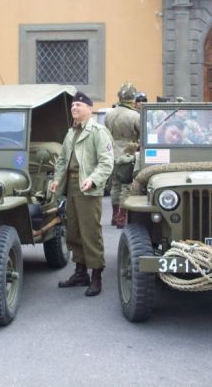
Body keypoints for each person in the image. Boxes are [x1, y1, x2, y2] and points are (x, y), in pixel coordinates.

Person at [50, 91, 113, 297]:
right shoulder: (71, 132)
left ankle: (96, 275)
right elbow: (62, 161)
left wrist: (93, 179)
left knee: (90, 232)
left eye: (78, 105)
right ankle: (80, 272)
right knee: (73, 230)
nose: (74, 108)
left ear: (89, 108)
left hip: (88, 187)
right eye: (72, 105)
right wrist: (57, 180)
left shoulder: (98, 131)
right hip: (72, 185)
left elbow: (106, 162)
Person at [104, 82, 140, 228]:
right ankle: (121, 217)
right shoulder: (134, 115)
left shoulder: (109, 114)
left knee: (115, 185)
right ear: (133, 99)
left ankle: (114, 215)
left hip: (111, 152)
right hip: (128, 154)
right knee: (127, 185)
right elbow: (141, 134)